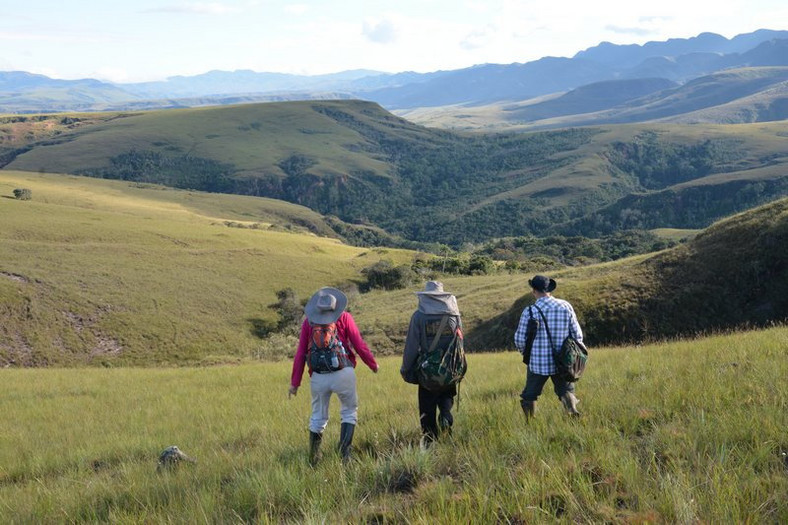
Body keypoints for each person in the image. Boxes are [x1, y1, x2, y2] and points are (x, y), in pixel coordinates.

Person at [289, 287, 379, 464]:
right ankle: (345, 453)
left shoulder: (309, 322)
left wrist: (295, 383)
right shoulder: (344, 317)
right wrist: (372, 364)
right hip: (343, 373)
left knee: (318, 417)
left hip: (318, 376)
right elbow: (358, 344)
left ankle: (314, 458)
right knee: (349, 412)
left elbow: (300, 353)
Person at [400, 281, 462, 446]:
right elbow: (460, 343)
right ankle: (446, 418)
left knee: (427, 409)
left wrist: (406, 369)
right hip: (449, 367)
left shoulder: (419, 316)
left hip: (427, 370)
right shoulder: (454, 315)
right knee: (447, 396)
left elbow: (411, 346)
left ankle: (430, 441)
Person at [514, 275, 584, 418]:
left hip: (538, 362)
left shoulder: (530, 311)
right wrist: (575, 356)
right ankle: (571, 412)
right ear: (549, 290)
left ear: (534, 291)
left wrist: (526, 354)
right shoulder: (565, 306)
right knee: (566, 390)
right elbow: (577, 335)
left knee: (530, 394)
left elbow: (520, 339)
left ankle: (530, 421)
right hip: (564, 361)